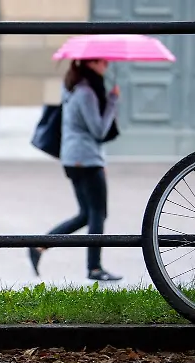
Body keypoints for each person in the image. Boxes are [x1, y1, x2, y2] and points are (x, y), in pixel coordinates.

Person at [29, 58, 122, 282]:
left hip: (76, 158)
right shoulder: (86, 92)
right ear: (90, 63)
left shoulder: (71, 87)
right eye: (103, 62)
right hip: (85, 159)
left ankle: (40, 244)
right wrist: (112, 101)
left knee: (86, 214)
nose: (107, 65)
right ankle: (95, 268)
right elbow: (98, 130)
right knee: (98, 214)